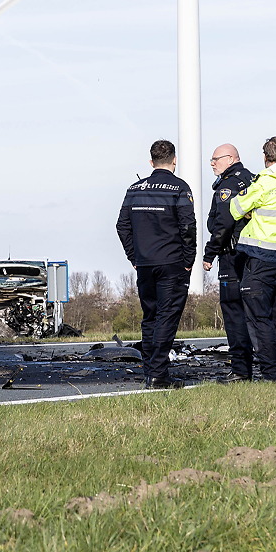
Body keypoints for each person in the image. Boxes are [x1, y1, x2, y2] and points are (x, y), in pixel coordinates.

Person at [116, 139, 196, 388]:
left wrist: (134, 257)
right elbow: (187, 227)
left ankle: (151, 371)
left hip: (145, 264)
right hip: (172, 263)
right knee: (167, 317)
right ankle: (158, 375)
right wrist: (188, 260)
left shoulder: (134, 189)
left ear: (151, 162)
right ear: (174, 160)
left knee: (150, 317)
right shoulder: (179, 188)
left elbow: (122, 226)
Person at [229, 136, 276, 382]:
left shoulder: (264, 182)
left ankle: (271, 375)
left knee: (259, 319)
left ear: (265, 157)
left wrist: (251, 210)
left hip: (262, 258)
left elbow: (235, 208)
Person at [202, 143, 254, 383]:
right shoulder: (254, 179)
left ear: (232, 158)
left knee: (234, 313)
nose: (212, 163)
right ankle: (273, 368)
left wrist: (209, 253)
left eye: (216, 159)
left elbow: (223, 223)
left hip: (232, 257)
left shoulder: (228, 185)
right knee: (258, 314)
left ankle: (241, 371)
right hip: (256, 256)